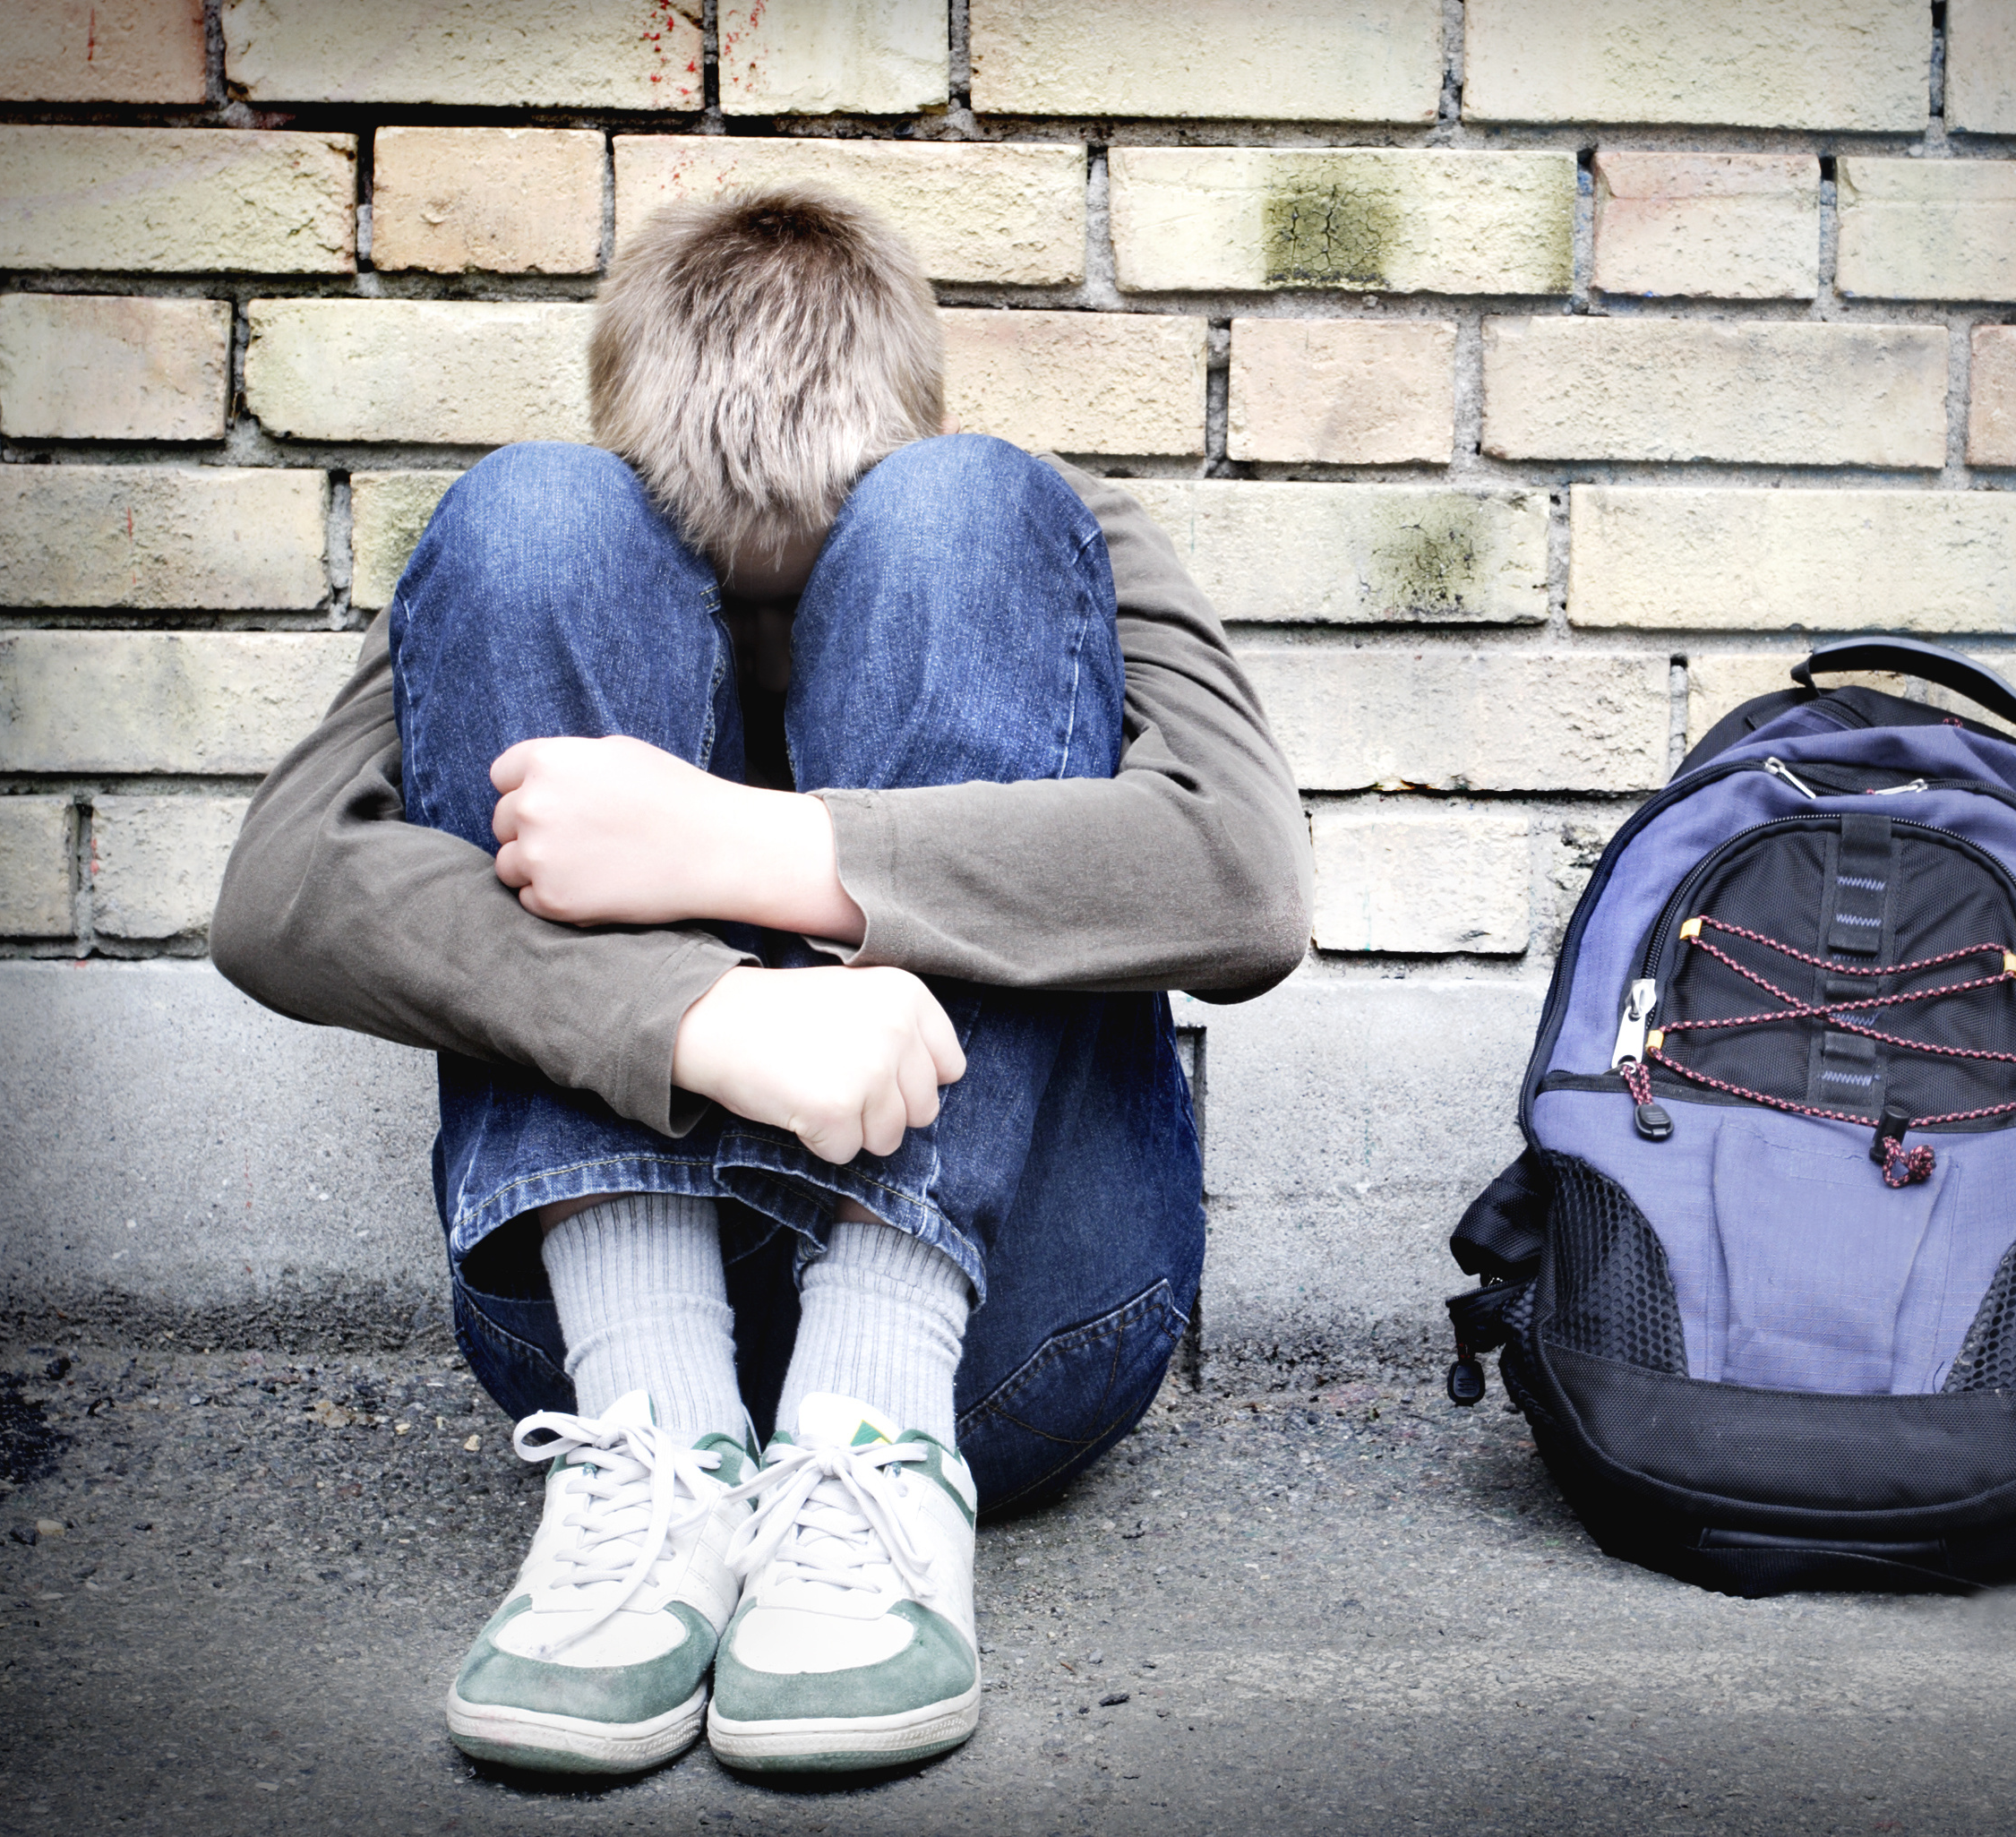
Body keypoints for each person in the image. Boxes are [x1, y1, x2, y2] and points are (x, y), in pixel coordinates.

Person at [210, 188, 1310, 1777]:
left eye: (812, 590)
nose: (776, 632)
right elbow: (279, 894)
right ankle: (659, 1453)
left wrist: (741, 845)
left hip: (1009, 1327)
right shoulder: (588, 534)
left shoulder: (1033, 534)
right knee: (527, 516)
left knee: (975, 514)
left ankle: (872, 1425)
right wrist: (704, 1019)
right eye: (735, 596)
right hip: (602, 1342)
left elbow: (1248, 884)